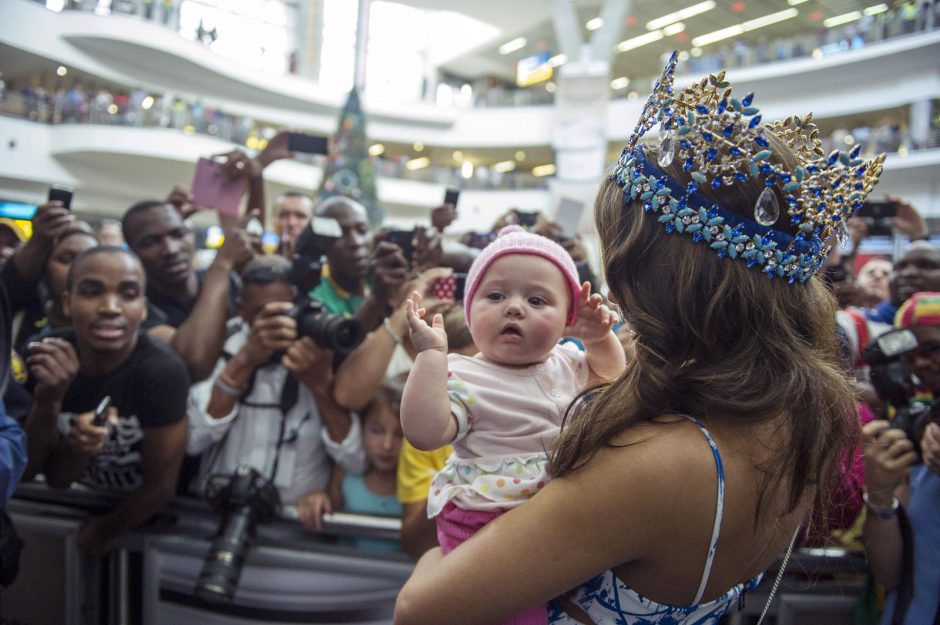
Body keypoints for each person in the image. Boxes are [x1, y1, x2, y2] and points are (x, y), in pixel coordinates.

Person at [394, 51, 885, 625]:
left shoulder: (652, 464)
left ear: (650, 279)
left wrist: (437, 554)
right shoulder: (804, 414)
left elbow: (420, 610)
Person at [401, 225, 624, 624]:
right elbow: (425, 432)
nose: (515, 308)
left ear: (566, 319)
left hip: (553, 514)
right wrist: (431, 358)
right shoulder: (465, 376)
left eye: (537, 299)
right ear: (469, 312)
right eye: (496, 295)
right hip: (484, 517)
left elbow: (609, 381)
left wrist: (598, 339)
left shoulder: (570, 361)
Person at [22, 247, 189, 556]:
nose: (110, 308)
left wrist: (104, 531)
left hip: (135, 526)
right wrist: (49, 402)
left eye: (127, 294)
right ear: (67, 303)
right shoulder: (43, 355)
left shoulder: (163, 371)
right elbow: (34, 471)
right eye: (91, 292)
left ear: (143, 307)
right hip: (60, 512)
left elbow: (160, 487)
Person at [186, 255, 366, 511]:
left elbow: (355, 460)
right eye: (264, 314)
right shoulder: (218, 348)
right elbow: (194, 439)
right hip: (213, 515)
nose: (277, 323)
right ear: (240, 310)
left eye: (286, 311)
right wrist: (246, 360)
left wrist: (319, 386)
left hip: (293, 527)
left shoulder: (320, 356)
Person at [862, 291, 940, 625]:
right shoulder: (914, 440)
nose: (920, 364)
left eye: (934, 349)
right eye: (910, 356)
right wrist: (879, 492)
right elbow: (888, 575)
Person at [121, 199, 254, 381]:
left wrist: (254, 181)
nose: (170, 249)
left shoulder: (226, 282)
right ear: (133, 253)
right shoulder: (138, 307)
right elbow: (194, 363)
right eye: (150, 242)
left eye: (178, 234)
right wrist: (222, 264)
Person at [302, 375, 405, 552]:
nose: (387, 445)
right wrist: (317, 499)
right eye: (377, 431)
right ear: (361, 430)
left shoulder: (420, 482)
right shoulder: (345, 474)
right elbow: (327, 507)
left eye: (400, 434)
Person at [272, 191, 313, 257]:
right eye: (284, 215)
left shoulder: (328, 263)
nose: (291, 223)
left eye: (300, 216)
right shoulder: (260, 253)